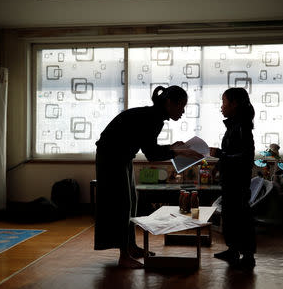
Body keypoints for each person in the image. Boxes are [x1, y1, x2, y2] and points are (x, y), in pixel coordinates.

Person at [94, 85, 203, 269]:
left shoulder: (154, 116)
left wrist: (173, 148)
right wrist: (175, 151)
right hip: (111, 157)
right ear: (169, 103)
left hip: (122, 157)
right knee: (122, 204)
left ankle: (131, 247)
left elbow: (150, 148)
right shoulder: (153, 118)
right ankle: (124, 256)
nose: (183, 111)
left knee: (132, 201)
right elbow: (152, 154)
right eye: (181, 106)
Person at [209, 87, 256, 269]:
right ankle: (233, 250)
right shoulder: (233, 126)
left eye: (224, 102)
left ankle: (248, 256)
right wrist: (217, 166)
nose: (221, 107)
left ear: (234, 104)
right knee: (229, 216)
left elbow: (245, 158)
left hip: (238, 182)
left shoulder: (243, 128)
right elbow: (229, 153)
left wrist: (220, 154)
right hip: (229, 181)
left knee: (241, 217)